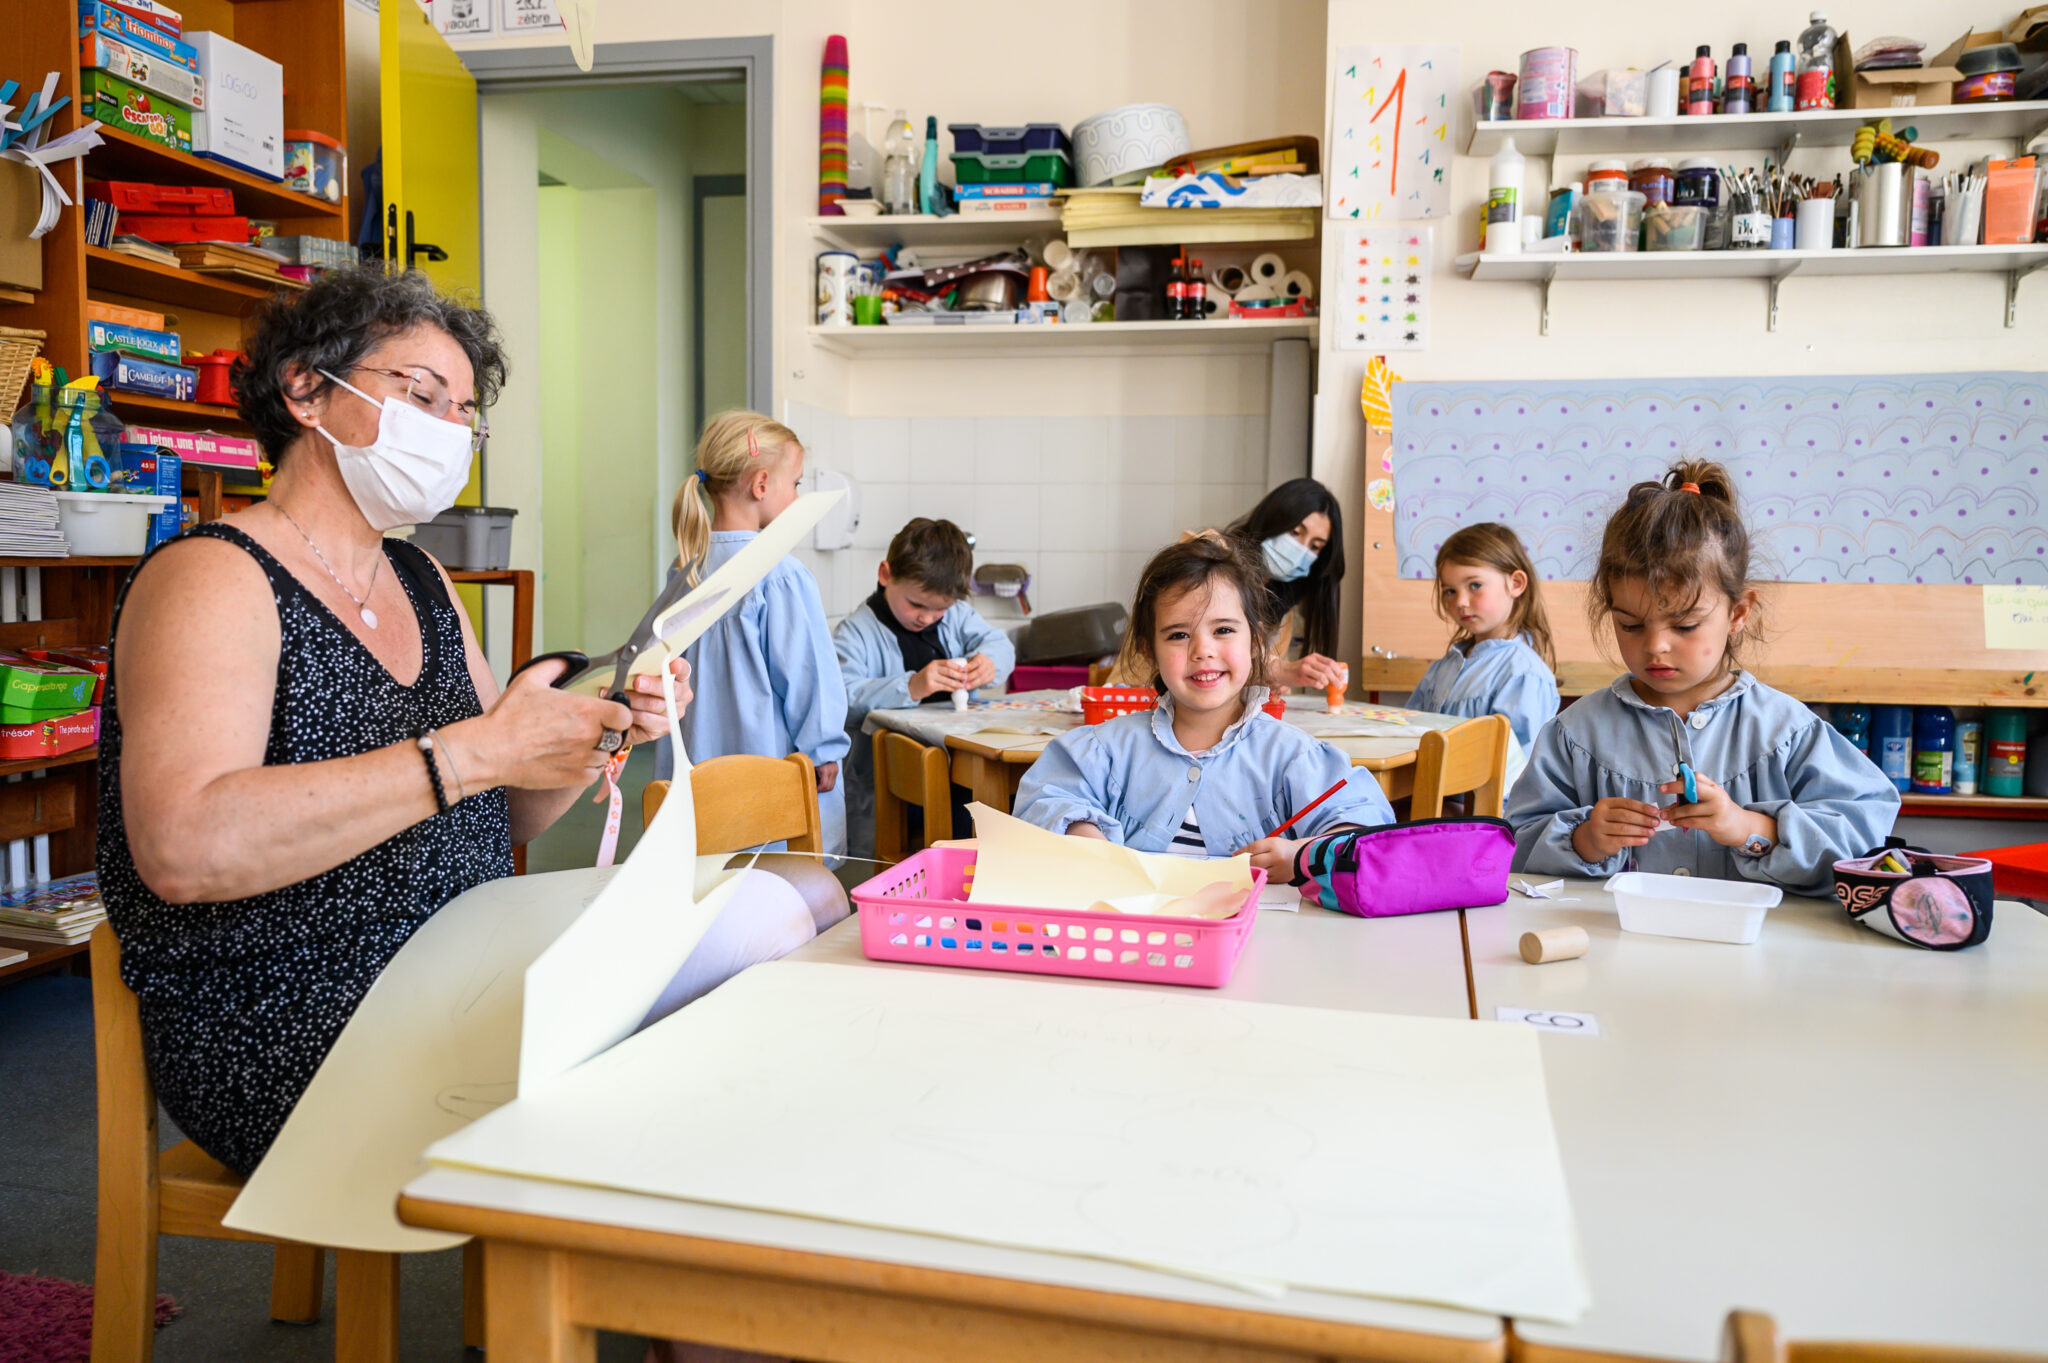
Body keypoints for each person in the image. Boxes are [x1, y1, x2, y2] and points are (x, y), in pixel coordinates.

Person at [100, 268, 690, 1178]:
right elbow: (184, 847)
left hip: (457, 982)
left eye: (462, 414)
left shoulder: (423, 579)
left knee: (705, 1022)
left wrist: (599, 733)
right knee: (663, 1097)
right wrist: (468, 752)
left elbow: (505, 809)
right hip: (285, 1022)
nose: (448, 432)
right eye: (420, 395)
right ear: (305, 389)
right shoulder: (210, 577)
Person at [1507, 461, 1898, 894]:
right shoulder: (1576, 734)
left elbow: (1863, 841)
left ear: (1737, 613)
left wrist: (1748, 826)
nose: (1655, 646)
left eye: (1685, 625)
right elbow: (1513, 846)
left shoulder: (1785, 731)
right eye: (1631, 625)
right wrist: (1585, 839)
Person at [1013, 534, 1393, 884]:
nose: (1202, 650)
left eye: (1223, 630)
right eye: (1179, 635)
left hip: (1261, 940)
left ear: (1256, 639)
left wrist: (1301, 856)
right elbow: (1042, 797)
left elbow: (1367, 828)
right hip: (1134, 935)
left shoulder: (1293, 756)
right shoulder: (1108, 747)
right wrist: (1082, 834)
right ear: (1149, 651)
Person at [662, 411, 850, 855]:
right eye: (797, 482)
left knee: (713, 873)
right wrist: (824, 747)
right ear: (761, 485)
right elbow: (809, 678)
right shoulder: (781, 574)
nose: (798, 494)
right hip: (767, 776)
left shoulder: (685, 569)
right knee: (778, 882)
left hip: (697, 776)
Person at [834, 517, 1015, 859]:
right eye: (916, 605)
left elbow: (999, 645)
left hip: (959, 771)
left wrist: (990, 661)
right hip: (893, 784)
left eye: (940, 609)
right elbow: (842, 696)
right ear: (885, 574)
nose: (927, 618)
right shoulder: (856, 631)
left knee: (988, 818)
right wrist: (911, 686)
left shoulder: (957, 615)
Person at [1407, 522, 1560, 765]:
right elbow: (1407, 734)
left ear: (1516, 584)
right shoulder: (1443, 667)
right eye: (1450, 591)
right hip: (1430, 795)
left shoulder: (1524, 674)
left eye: (1475, 585)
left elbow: (1514, 772)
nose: (1461, 602)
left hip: (1483, 803)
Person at [1227, 478, 1348, 691]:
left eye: (1315, 546)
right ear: (1273, 518)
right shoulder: (1211, 559)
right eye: (1295, 532)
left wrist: (1268, 681)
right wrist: (1277, 670)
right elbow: (1201, 652)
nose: (1301, 550)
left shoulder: (1282, 612)